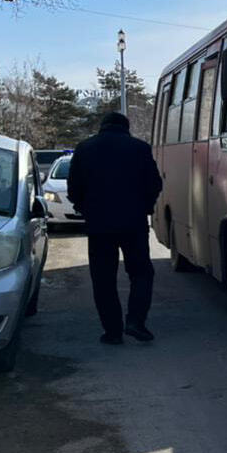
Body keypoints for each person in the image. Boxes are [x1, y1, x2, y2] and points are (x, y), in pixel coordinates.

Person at [67, 112, 163, 345]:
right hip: (134, 223)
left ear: (102, 126)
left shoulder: (84, 148)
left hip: (98, 225)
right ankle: (136, 321)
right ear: (126, 127)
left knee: (103, 279)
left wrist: (85, 208)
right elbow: (155, 184)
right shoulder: (139, 148)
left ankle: (112, 332)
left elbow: (74, 188)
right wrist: (146, 207)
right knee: (141, 273)